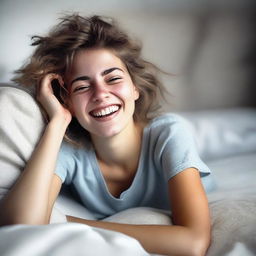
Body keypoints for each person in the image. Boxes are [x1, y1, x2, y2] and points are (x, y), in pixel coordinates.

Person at [0, 14, 211, 255]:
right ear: (66, 100)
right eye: (81, 86)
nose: (100, 94)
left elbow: (193, 243)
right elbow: (21, 224)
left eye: (113, 78)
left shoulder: (168, 133)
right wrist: (58, 122)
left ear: (135, 88)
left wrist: (69, 222)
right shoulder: (71, 150)